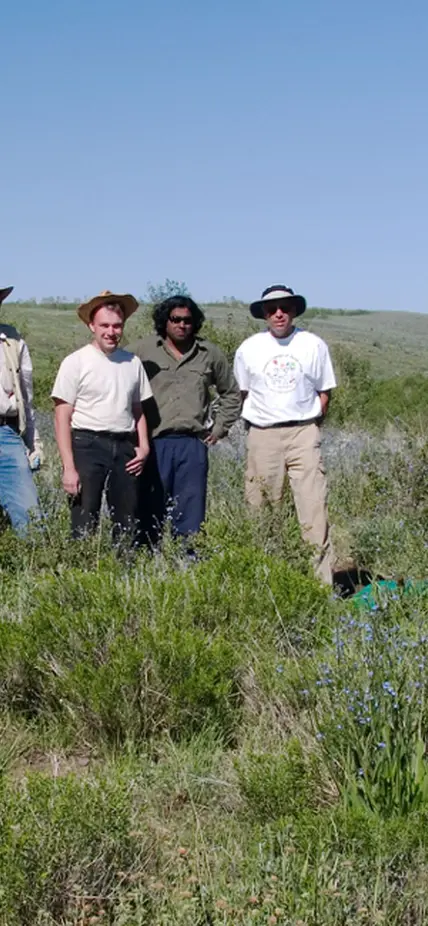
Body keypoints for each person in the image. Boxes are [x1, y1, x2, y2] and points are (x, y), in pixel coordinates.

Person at [233, 284, 337, 584]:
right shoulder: (249, 348)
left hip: (303, 433)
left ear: (294, 311)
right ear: (263, 314)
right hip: (263, 434)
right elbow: (243, 393)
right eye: (271, 309)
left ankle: (320, 586)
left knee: (314, 507)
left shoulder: (313, 345)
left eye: (285, 308)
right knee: (262, 509)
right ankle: (268, 583)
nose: (279, 314)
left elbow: (324, 391)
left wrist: (312, 422)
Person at [129, 295, 241, 546]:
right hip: (153, 443)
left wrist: (220, 428)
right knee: (148, 508)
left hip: (192, 444)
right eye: (175, 319)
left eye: (188, 320)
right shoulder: (142, 351)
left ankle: (187, 563)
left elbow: (231, 393)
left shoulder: (209, 354)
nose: (182, 325)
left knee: (190, 511)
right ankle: (146, 563)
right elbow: (117, 379)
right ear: (165, 321)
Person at [52, 290, 152, 544]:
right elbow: (62, 416)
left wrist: (144, 447)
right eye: (105, 325)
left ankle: (123, 575)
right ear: (92, 326)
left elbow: (138, 409)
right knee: (84, 516)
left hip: (124, 445)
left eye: (117, 326)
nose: (111, 331)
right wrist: (69, 468)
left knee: (127, 517)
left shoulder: (132, 363)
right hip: (87, 444)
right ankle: (82, 571)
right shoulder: (75, 362)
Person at [0, 284, 42, 534]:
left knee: (30, 517)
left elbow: (27, 399)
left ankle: (33, 570)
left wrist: (34, 444)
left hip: (6, 434)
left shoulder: (12, 342)